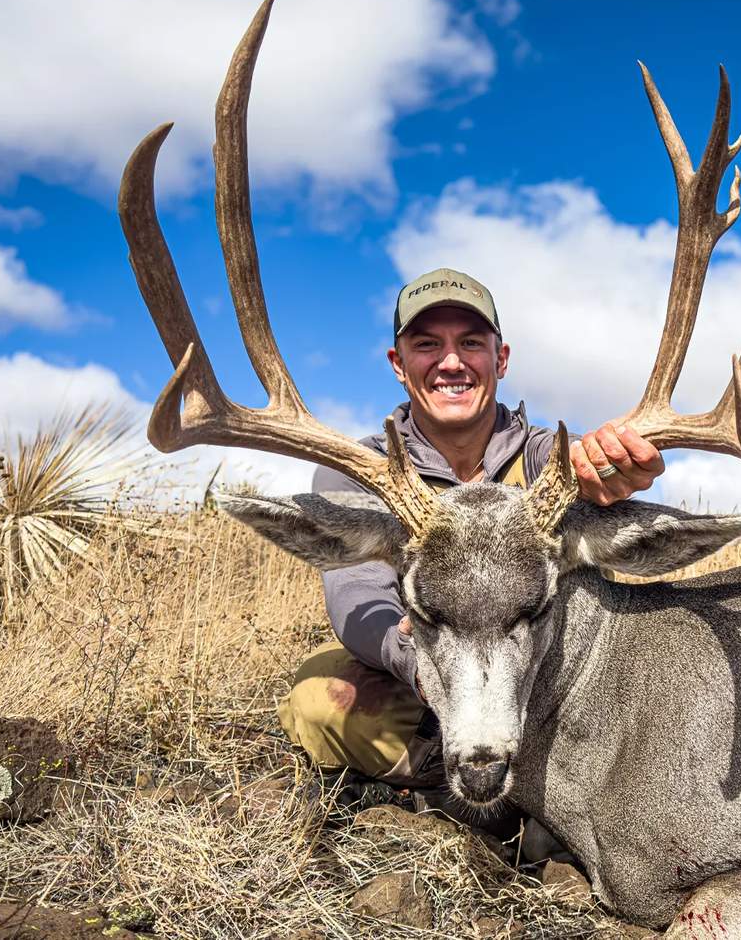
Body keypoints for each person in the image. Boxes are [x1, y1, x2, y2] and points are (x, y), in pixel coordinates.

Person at [275, 267, 665, 821]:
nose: (451, 362)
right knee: (319, 703)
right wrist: (415, 657)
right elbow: (355, 595)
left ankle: (519, 798)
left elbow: (583, 464)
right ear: (398, 363)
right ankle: (509, 800)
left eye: (470, 343)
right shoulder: (362, 472)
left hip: (541, 683)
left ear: (500, 359)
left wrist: (608, 467)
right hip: (425, 672)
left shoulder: (545, 463)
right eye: (428, 344)